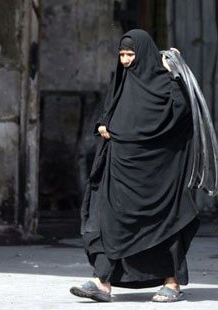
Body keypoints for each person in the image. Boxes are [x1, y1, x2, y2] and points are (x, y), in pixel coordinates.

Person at [70, 29, 199, 303]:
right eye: (122, 55)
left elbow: (182, 114)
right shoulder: (123, 79)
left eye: (130, 55)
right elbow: (111, 108)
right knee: (108, 220)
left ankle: (172, 283)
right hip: (119, 169)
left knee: (164, 224)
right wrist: (103, 125)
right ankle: (101, 281)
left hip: (156, 173)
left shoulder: (166, 84)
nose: (126, 60)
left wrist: (175, 74)